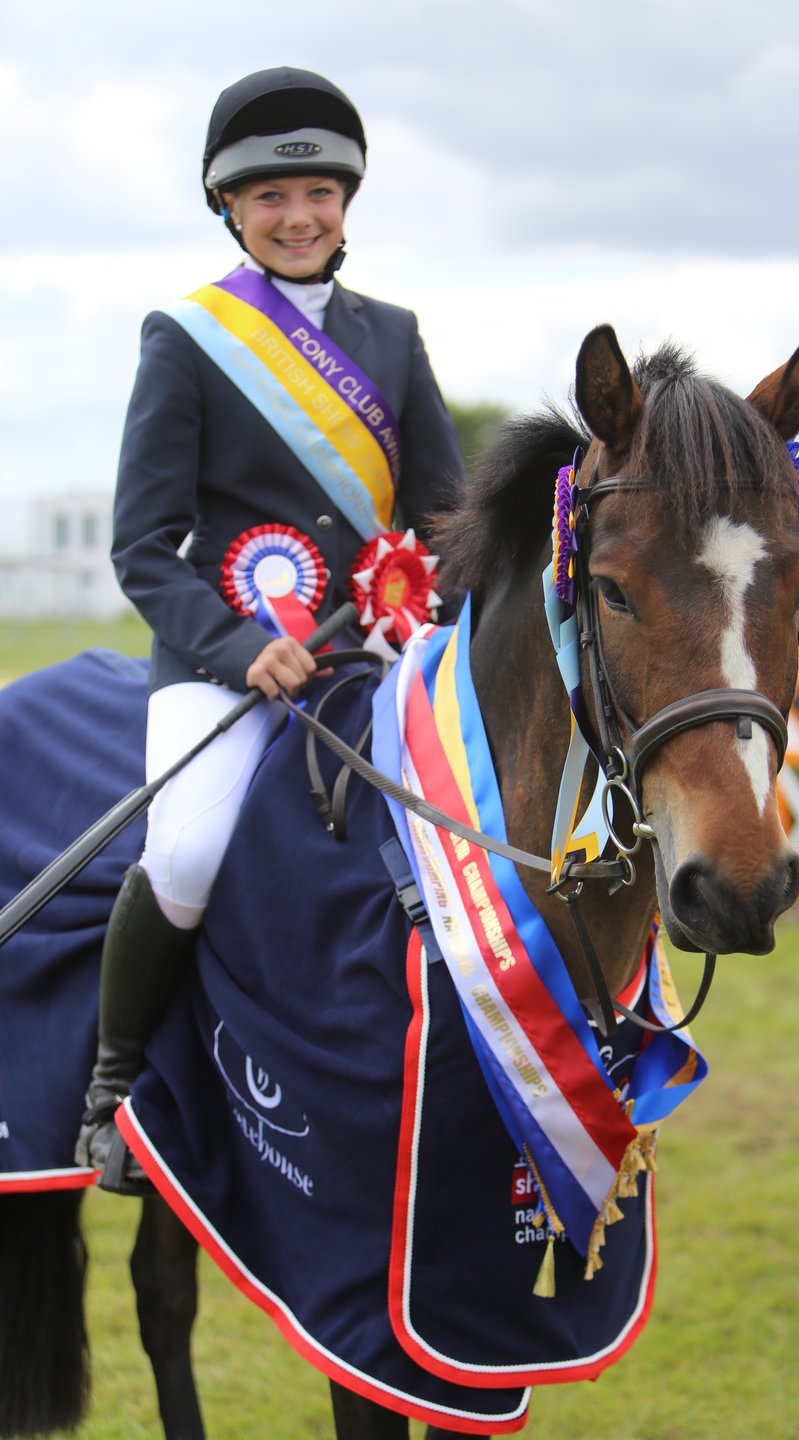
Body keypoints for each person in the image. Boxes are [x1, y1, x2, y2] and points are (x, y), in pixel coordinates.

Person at [74, 66, 465, 1190]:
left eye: (320, 196)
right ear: (234, 212)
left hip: (373, 652)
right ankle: (113, 1088)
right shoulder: (189, 337)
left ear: (347, 203)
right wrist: (241, 646)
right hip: (227, 661)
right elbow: (142, 546)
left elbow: (443, 514)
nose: (298, 218)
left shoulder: (393, 336)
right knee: (189, 847)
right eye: (269, 201)